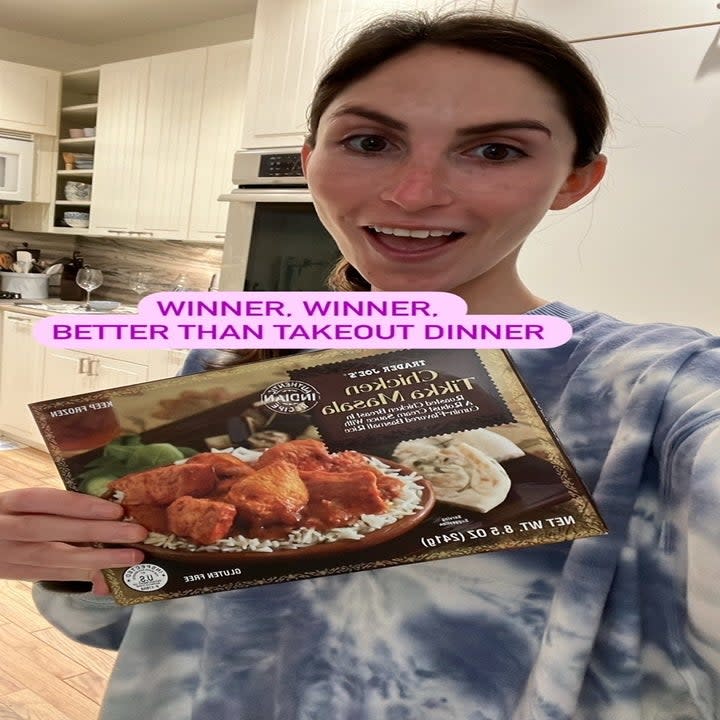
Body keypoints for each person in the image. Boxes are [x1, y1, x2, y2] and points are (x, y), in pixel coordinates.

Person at [1, 10, 718, 720]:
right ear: (311, 159)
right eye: (370, 141)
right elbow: (131, 622)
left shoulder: (652, 387)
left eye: (495, 151)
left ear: (575, 180)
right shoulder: (236, 356)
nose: (414, 193)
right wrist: (75, 559)